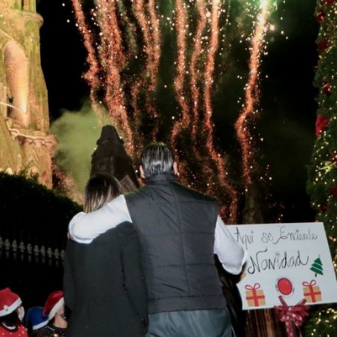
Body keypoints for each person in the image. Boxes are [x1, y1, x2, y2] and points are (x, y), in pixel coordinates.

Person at [68, 144, 247, 337]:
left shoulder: (130, 203)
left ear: (143, 172)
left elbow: (80, 230)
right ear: (176, 167)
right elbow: (235, 263)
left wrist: (76, 218)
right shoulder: (206, 205)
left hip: (162, 315)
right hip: (210, 314)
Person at [63, 175, 147, 337]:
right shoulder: (126, 232)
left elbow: (70, 297)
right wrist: (144, 318)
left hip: (81, 327)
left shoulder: (72, 239)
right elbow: (134, 282)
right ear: (115, 198)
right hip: (121, 326)